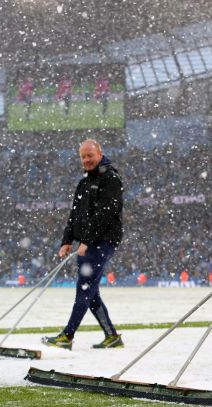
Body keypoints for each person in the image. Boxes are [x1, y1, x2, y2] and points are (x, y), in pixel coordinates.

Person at [42, 140, 124, 350]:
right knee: (91, 291)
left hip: (103, 241)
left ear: (100, 154)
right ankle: (112, 336)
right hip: (87, 242)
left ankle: (67, 336)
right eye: (83, 157)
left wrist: (86, 241)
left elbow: (105, 214)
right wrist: (66, 240)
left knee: (85, 287)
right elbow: (75, 214)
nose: (87, 160)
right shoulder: (84, 182)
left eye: (90, 156)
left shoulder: (110, 179)